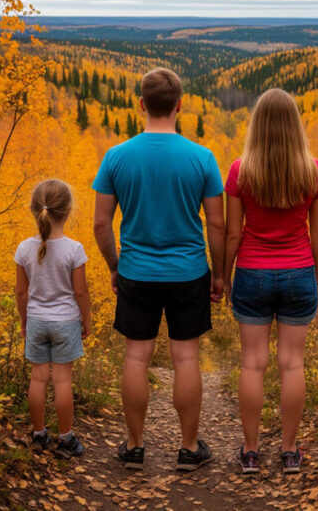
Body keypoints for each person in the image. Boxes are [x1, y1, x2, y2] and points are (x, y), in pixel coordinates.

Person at [92, 67, 226, 471]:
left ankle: (134, 447)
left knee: (136, 358)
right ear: (180, 105)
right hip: (188, 272)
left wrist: (116, 267)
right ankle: (188, 449)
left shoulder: (116, 157)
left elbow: (101, 224)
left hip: (136, 271)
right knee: (186, 358)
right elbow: (217, 224)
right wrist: (219, 275)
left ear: (140, 105)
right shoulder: (202, 158)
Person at [223, 88, 318, 475]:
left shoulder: (240, 170)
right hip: (299, 271)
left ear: (257, 126)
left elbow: (233, 234)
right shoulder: (313, 170)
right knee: (291, 364)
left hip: (252, 273)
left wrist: (226, 275)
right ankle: (288, 451)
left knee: (252, 365)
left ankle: (250, 452)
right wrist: (313, 277)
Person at [14, 179, 92, 458]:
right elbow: (80, 292)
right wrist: (87, 320)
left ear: (35, 211)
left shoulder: (24, 249)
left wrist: (24, 322)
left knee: (37, 380)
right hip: (65, 322)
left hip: (36, 320)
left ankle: (38, 435)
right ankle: (66, 438)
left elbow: (21, 292)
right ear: (68, 211)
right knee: (62, 382)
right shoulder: (74, 249)